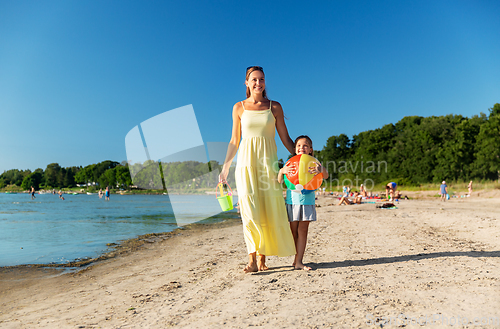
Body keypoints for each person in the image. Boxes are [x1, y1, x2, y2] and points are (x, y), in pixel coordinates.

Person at [219, 66, 296, 273]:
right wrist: (225, 168)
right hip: (245, 164)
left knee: (267, 210)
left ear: (265, 82)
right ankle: (252, 259)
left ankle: (262, 258)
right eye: (253, 79)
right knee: (249, 211)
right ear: (246, 83)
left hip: (268, 165)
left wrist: (302, 156)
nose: (258, 83)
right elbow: (234, 141)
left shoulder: (275, 107)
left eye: (261, 79)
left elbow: (286, 139)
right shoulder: (239, 108)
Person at [278, 135, 329, 271]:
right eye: (299, 146)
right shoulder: (289, 163)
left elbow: (326, 175)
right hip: (292, 202)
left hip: (307, 202)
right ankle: (296, 259)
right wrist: (282, 171)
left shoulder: (314, 162)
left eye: (305, 145)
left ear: (311, 149)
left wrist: (321, 170)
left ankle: (299, 261)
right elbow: (280, 180)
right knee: (293, 232)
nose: (302, 148)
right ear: (295, 149)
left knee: (303, 230)